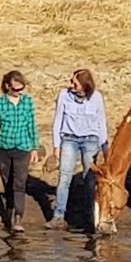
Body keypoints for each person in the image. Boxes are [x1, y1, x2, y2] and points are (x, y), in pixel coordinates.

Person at [46, 68, 110, 230]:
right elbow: (58, 120)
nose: (71, 85)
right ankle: (59, 216)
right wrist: (56, 145)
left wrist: (104, 148)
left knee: (89, 179)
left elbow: (101, 122)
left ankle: (89, 217)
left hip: (91, 141)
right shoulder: (64, 96)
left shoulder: (96, 97)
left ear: (84, 85)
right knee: (64, 178)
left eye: (75, 82)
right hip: (69, 139)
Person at [0, 70, 42, 232]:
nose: (18, 93)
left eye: (21, 89)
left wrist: (34, 147)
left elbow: (32, 125)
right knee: (7, 183)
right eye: (15, 89)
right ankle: (9, 210)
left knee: (19, 183)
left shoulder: (27, 102)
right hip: (4, 148)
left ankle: (18, 217)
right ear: (7, 86)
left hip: (23, 148)